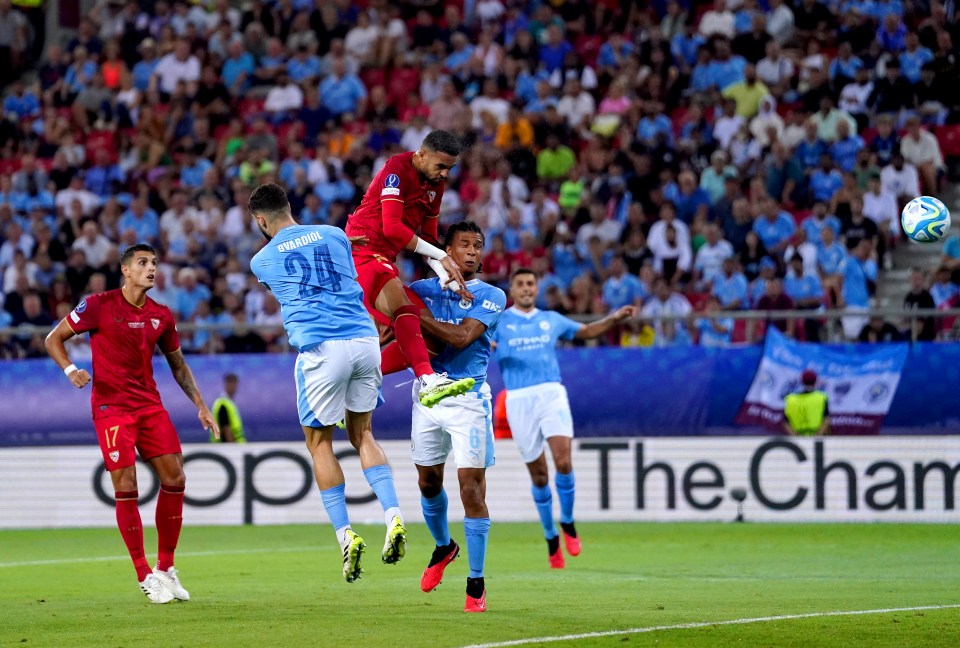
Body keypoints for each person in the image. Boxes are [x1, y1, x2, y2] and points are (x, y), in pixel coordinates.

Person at [44, 244, 220, 604]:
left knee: (176, 477)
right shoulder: (98, 305)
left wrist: (201, 404)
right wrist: (70, 370)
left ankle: (166, 568)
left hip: (149, 405)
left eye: (154, 263)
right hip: (112, 408)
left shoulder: (162, 315)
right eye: (143, 263)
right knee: (126, 484)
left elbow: (178, 365)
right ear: (125, 270)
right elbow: (53, 338)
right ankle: (143, 573)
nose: (151, 269)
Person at [248, 183, 406, 583]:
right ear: (290, 207)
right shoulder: (336, 234)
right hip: (365, 340)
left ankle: (345, 535)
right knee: (364, 434)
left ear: (260, 221)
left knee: (319, 443)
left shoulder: (261, 260)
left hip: (321, 349)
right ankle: (394, 516)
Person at [382, 221, 506, 612]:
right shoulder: (421, 291)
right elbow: (389, 326)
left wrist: (410, 317)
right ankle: (443, 547)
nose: (472, 251)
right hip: (428, 397)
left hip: (468, 398)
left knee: (471, 488)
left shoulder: (491, 294)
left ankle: (476, 582)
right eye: (464, 245)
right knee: (427, 482)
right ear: (445, 252)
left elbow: (459, 338)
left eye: (478, 246)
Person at [493, 268, 636, 568]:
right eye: (520, 284)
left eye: (531, 283)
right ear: (512, 290)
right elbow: (475, 340)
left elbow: (584, 332)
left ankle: (568, 523)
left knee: (564, 462)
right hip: (518, 399)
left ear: (537, 287)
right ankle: (550, 536)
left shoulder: (551, 319)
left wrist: (613, 319)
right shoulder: (499, 320)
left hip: (551, 394)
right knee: (540, 476)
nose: (526, 288)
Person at [345, 129, 476, 408]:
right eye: (440, 166)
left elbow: (427, 240)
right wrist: (441, 255)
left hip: (383, 260)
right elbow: (393, 229)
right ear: (421, 155)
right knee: (405, 310)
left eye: (450, 169)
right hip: (362, 253)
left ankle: (356, 381)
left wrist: (446, 275)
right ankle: (428, 380)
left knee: (429, 339)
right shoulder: (397, 169)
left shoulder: (435, 186)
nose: (444, 175)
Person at [783, 369, 830, 436]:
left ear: (802, 381)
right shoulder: (821, 398)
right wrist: (817, 436)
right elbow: (826, 419)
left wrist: (796, 436)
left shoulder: (790, 399)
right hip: (816, 436)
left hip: (797, 437)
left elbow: (785, 422)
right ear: (815, 382)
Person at [211, 373, 246, 443]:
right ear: (226, 385)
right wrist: (232, 448)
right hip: (225, 449)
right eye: (231, 384)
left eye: (235, 384)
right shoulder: (223, 405)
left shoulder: (229, 403)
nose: (233, 387)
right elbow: (226, 429)